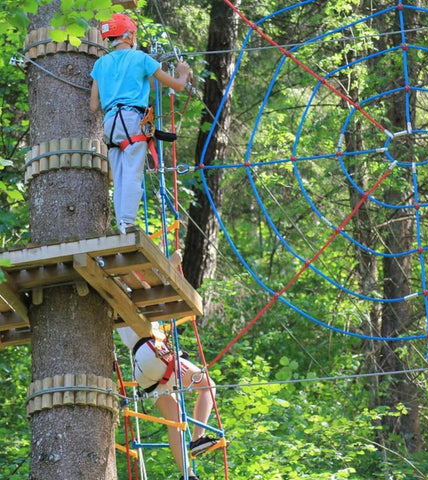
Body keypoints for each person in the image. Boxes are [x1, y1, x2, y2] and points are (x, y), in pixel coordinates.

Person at [118, 251, 219, 480]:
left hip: (142, 366)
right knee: (208, 386)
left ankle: (188, 475)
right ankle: (197, 439)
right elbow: (158, 277)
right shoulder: (140, 296)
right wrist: (173, 261)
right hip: (154, 353)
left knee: (175, 419)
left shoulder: (117, 301)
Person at [89, 13, 191, 233]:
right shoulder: (141, 59)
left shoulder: (100, 64)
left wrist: (115, 90)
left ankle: (122, 224)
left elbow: (93, 105)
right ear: (128, 35)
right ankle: (127, 224)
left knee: (120, 177)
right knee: (133, 173)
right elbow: (178, 85)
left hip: (110, 124)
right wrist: (183, 74)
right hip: (131, 120)